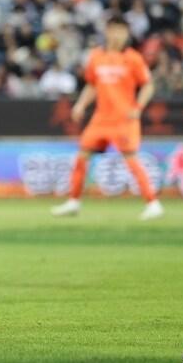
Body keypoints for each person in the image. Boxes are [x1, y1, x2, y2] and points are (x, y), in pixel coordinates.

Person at [52, 16, 164, 220]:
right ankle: (73, 202)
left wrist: (138, 107)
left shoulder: (133, 58)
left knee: (131, 159)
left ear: (127, 34)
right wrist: (80, 105)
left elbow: (148, 85)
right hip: (101, 119)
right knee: (82, 156)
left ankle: (153, 203)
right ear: (107, 32)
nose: (118, 35)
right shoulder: (96, 56)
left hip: (124, 119)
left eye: (122, 31)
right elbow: (92, 85)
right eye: (114, 30)